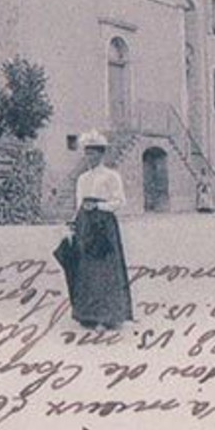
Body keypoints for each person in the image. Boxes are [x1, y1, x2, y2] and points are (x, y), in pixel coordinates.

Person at [60, 131, 134, 329]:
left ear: (102, 155)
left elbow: (120, 201)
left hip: (104, 224)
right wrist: (74, 224)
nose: (90, 157)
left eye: (93, 153)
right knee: (86, 268)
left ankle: (108, 315)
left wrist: (100, 207)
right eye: (87, 153)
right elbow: (78, 204)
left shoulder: (111, 176)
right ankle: (88, 314)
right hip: (85, 224)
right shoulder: (82, 179)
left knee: (104, 268)